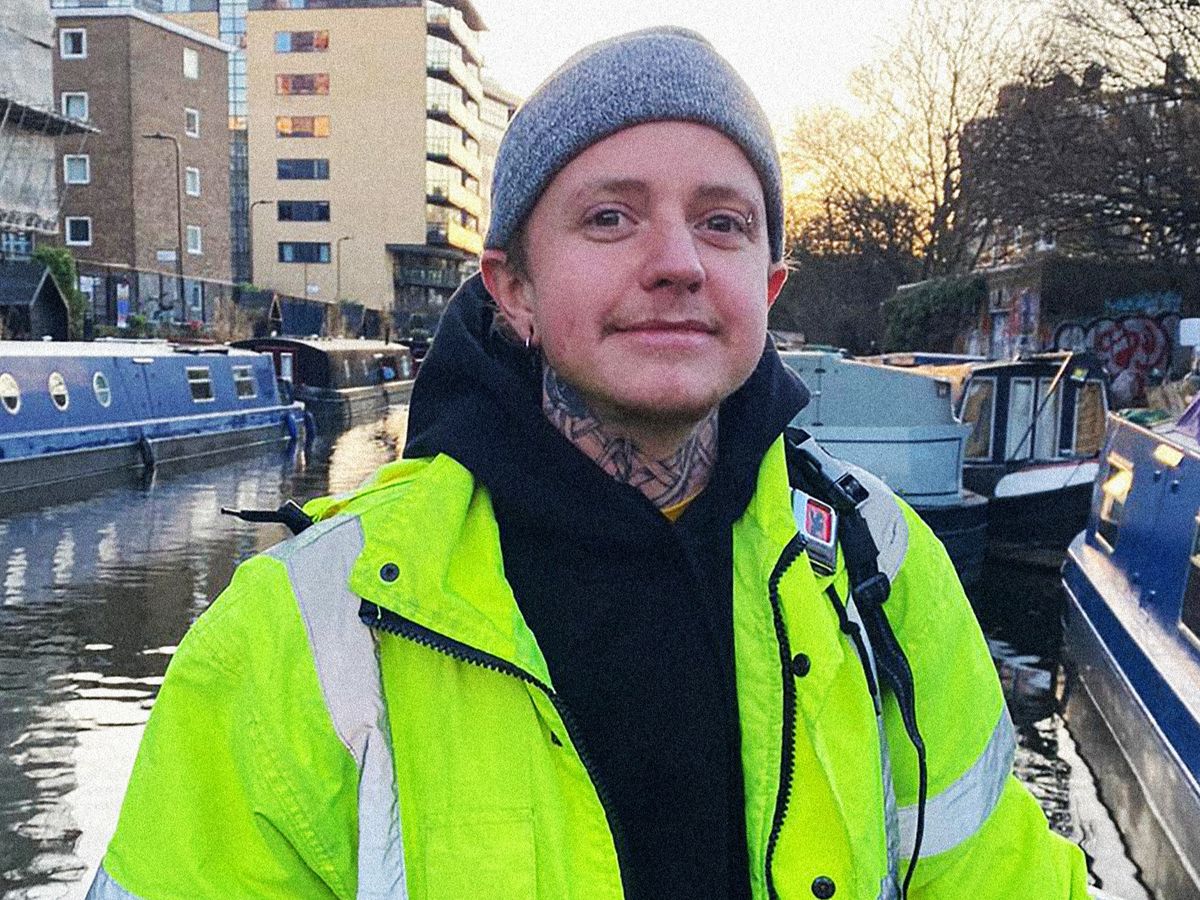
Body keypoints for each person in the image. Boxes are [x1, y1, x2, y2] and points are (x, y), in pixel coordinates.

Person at [87, 27, 1089, 900]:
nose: (679, 262)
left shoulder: (880, 569)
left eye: (723, 223)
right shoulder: (303, 631)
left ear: (769, 286)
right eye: (611, 216)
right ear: (511, 287)